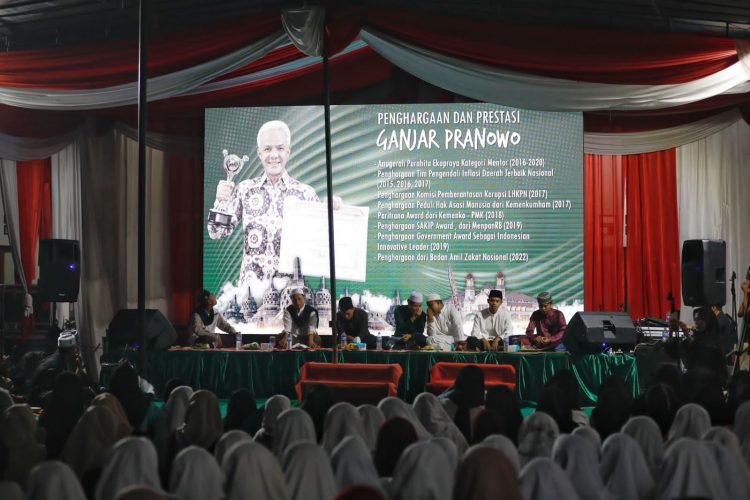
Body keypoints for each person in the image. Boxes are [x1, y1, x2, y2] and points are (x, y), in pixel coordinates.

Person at [207, 120, 320, 296]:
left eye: (280, 148)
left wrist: (333, 210)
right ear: (259, 153)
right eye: (267, 149)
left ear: (288, 151)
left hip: (291, 296)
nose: (274, 155)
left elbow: (322, 242)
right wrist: (220, 202)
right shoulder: (245, 189)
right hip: (250, 296)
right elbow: (216, 233)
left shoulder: (306, 194)